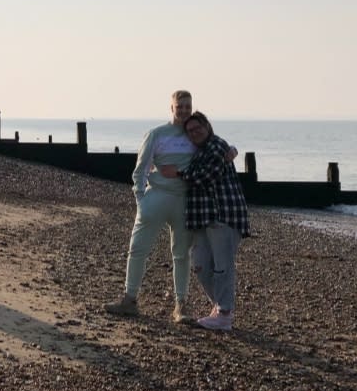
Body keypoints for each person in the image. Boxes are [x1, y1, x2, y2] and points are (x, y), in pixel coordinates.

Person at [105, 90, 197, 323]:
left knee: (181, 255)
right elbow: (140, 169)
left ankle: (181, 305)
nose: (184, 110)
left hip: (184, 200)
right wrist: (141, 200)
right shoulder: (156, 134)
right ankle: (129, 299)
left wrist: (231, 150)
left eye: (188, 106)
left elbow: (215, 151)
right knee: (138, 249)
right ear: (172, 108)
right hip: (156, 197)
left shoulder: (196, 135)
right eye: (180, 106)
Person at [160, 111, 249, 332]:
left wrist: (178, 173)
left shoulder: (217, 146)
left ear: (207, 126)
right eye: (190, 131)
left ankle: (224, 314)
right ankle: (220, 307)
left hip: (223, 214)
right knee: (200, 265)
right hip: (202, 218)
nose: (195, 133)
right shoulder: (200, 151)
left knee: (222, 267)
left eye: (198, 128)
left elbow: (205, 176)